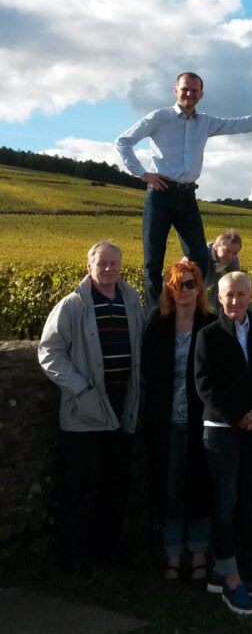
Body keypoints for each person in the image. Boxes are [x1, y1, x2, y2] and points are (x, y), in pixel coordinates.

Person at [115, 72, 252, 311]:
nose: (189, 94)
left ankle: (191, 308)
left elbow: (238, 124)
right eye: (185, 89)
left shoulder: (205, 122)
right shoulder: (159, 118)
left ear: (201, 95)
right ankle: (154, 316)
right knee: (153, 261)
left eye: (194, 91)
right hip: (160, 193)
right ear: (175, 90)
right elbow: (123, 141)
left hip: (187, 196)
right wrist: (144, 174)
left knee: (199, 256)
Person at [38, 241, 145, 573]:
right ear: (89, 266)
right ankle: (72, 557)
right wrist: (80, 388)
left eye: (115, 262)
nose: (109, 268)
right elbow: (49, 352)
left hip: (122, 404)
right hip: (84, 407)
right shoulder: (72, 305)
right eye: (103, 263)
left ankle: (108, 549)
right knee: (76, 485)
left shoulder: (132, 301)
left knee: (117, 481)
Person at [194, 272, 252, 616]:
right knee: (225, 500)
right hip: (222, 430)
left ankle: (228, 567)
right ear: (220, 298)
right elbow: (205, 386)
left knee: (249, 499)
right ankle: (231, 576)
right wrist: (238, 417)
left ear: (250, 297)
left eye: (242, 295)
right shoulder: (208, 335)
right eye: (229, 295)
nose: (235, 301)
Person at [141, 260, 215, 581]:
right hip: (166, 420)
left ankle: (198, 553)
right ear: (169, 289)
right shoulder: (158, 325)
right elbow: (147, 372)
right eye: (179, 284)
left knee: (200, 487)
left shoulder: (211, 324)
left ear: (199, 288)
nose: (185, 290)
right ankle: (173, 555)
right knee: (169, 489)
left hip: (201, 420)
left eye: (191, 284)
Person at [204, 229, 242, 310]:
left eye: (235, 253)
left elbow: (237, 286)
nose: (230, 256)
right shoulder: (201, 254)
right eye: (227, 251)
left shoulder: (234, 260)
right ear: (216, 246)